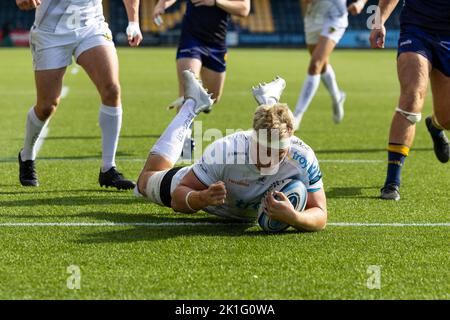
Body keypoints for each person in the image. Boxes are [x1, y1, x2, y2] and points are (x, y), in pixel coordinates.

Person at [134, 70, 327, 232]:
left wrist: (295, 217)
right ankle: (192, 105)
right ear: (253, 138)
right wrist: (202, 198)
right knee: (144, 181)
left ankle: (269, 100)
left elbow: (320, 213)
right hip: (210, 198)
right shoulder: (226, 150)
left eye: (279, 154)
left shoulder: (303, 158)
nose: (270, 161)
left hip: (245, 209)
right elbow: (178, 198)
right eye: (264, 150)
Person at [16, 0, 143, 190]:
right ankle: (26, 155)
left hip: (91, 26)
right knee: (46, 106)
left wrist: (133, 22)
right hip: (51, 31)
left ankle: (108, 168)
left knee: (112, 89)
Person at [370, 0, 450, 200]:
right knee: (412, 98)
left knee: (447, 118)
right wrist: (378, 21)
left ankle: (435, 125)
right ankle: (391, 183)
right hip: (416, 30)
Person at [152, 0, 251, 159]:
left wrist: (215, 2)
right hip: (191, 39)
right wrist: (161, 5)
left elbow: (244, 9)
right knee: (188, 89)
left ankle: (202, 100)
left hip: (216, 44)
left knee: (214, 97)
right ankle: (185, 139)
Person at [293, 0, 368, 130]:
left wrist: (361, 2)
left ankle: (296, 117)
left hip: (335, 17)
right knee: (321, 64)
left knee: (315, 65)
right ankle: (337, 96)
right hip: (313, 18)